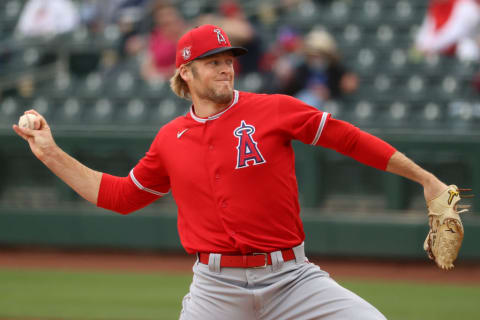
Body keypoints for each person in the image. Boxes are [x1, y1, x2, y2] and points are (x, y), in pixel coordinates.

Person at [14, 24, 449, 319]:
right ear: (185, 71)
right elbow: (120, 196)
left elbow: (349, 139)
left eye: (228, 58)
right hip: (214, 289)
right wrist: (51, 153)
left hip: (292, 278)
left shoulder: (274, 109)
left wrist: (426, 179)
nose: (225, 67)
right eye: (212, 61)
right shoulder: (170, 138)